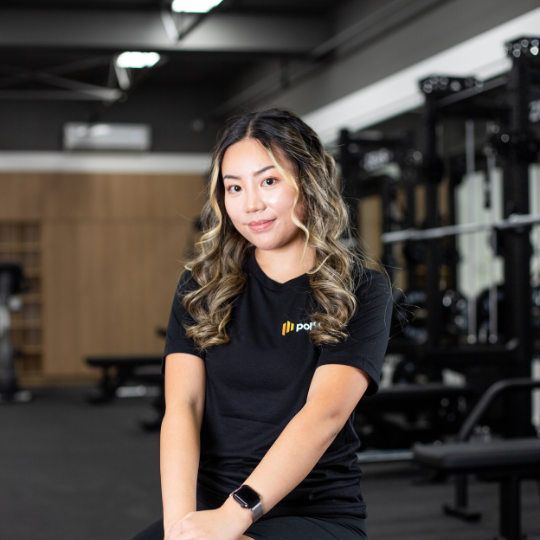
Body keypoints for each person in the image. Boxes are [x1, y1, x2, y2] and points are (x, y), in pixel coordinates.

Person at [129, 108, 392, 540]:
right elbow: (183, 408)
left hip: (313, 512)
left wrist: (236, 516)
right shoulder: (200, 287)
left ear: (308, 181)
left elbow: (324, 414)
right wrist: (181, 526)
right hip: (210, 507)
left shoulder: (361, 289)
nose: (250, 204)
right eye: (234, 187)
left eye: (268, 181)